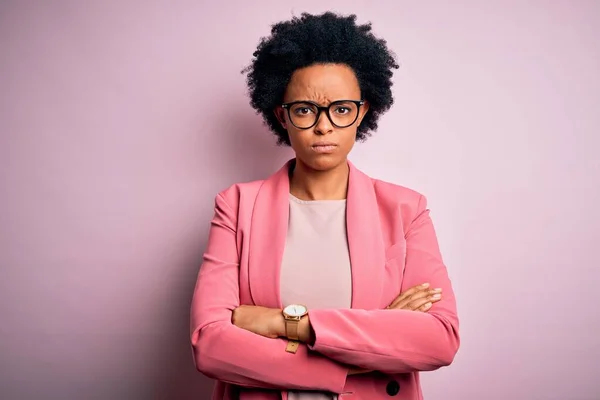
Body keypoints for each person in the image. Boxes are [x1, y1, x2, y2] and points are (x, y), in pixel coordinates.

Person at [190, 11, 459, 400]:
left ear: (362, 112)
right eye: (304, 110)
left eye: (341, 109)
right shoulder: (236, 206)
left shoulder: (405, 210)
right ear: (282, 115)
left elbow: (440, 339)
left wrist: (290, 325)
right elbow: (211, 345)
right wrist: (364, 354)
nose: (323, 126)